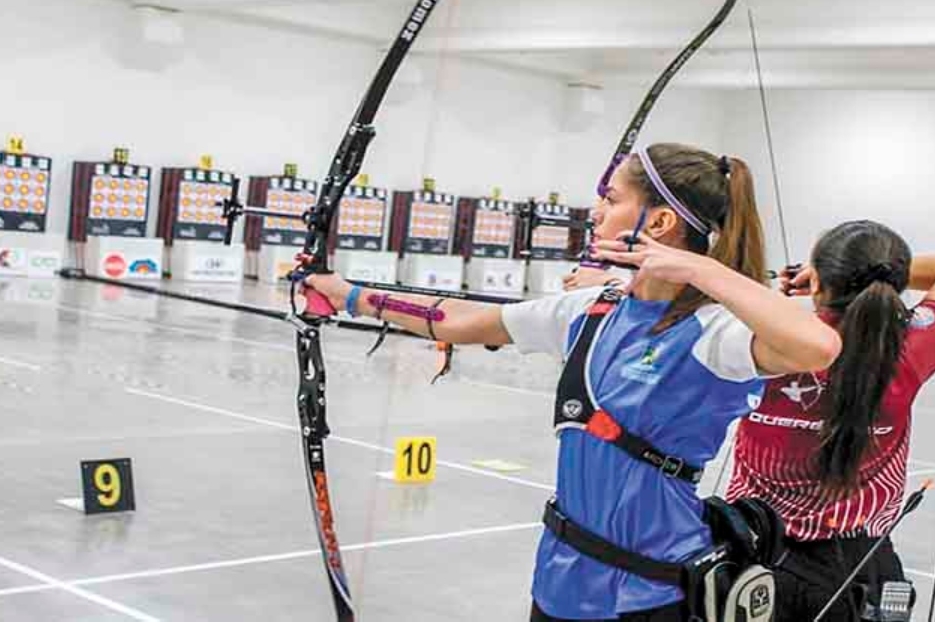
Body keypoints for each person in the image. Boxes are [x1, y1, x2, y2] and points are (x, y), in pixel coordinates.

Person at [304, 143, 841, 621]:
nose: (598, 211)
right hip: (562, 578)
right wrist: (346, 293)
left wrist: (700, 271)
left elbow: (817, 347)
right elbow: (459, 321)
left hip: (651, 593)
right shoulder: (595, 309)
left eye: (612, 199)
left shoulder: (714, 329)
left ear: (657, 224)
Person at [723, 221, 935, 621]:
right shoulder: (911, 344)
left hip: (750, 558)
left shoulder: (763, 341)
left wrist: (833, 276)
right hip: (856, 567)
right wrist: (870, 271)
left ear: (818, 285)